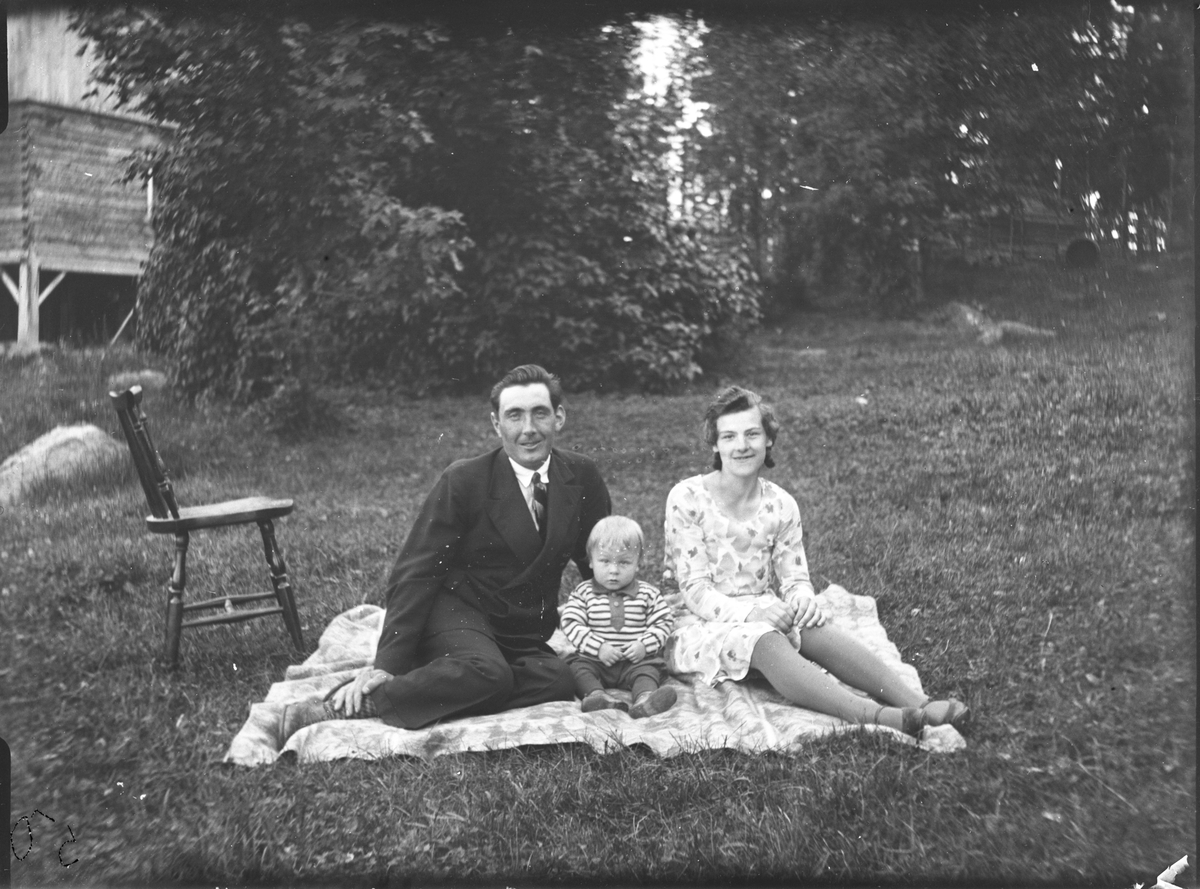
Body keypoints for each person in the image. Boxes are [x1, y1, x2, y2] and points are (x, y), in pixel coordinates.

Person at [279, 364, 612, 743]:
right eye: (514, 416)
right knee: (490, 673)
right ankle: (357, 703)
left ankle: (450, 683)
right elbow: (416, 572)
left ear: (559, 417)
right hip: (456, 610)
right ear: (496, 424)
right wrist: (388, 664)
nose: (528, 428)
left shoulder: (581, 476)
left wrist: (619, 626)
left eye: (540, 413)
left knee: (558, 678)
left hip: (519, 626)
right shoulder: (465, 479)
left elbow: (597, 559)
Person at [662, 385, 970, 737]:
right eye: (729, 436)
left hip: (760, 606)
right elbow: (695, 591)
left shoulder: (781, 504)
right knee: (766, 638)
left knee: (809, 625)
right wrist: (752, 615)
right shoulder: (687, 497)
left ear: (768, 439)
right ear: (715, 445)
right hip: (699, 621)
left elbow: (794, 579)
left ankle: (917, 701)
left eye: (752, 434)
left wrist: (803, 601)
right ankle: (874, 715)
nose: (741, 445)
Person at [560, 516, 677, 719]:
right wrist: (598, 648)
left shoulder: (648, 594)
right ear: (591, 561)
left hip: (634, 662)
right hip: (594, 659)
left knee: (648, 670)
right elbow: (571, 623)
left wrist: (644, 645)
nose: (613, 570)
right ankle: (597, 696)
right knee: (576, 669)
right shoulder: (583, 593)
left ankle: (645, 700)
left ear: (638, 564)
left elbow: (664, 622)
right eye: (605, 561)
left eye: (624, 562)